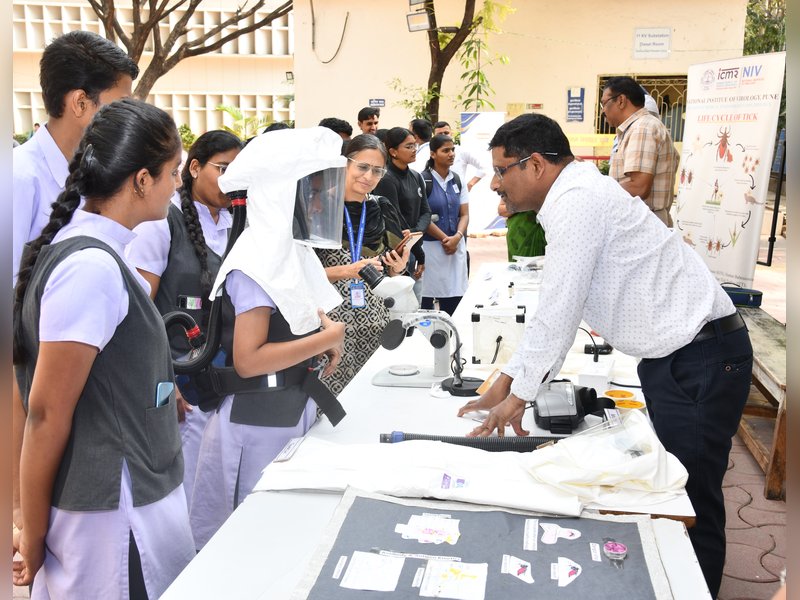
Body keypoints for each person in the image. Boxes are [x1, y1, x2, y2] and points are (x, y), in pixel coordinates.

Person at [456, 113, 752, 599]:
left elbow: (558, 308)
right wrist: (507, 380)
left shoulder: (576, 202)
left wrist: (518, 396)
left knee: (689, 497)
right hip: (681, 357)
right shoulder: (574, 195)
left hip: (699, 358)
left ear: (534, 166)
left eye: (501, 170)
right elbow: (560, 307)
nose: (494, 184)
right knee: (675, 486)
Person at [12, 98, 195, 598]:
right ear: (141, 179)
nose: (178, 185)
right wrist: (31, 529)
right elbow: (45, 413)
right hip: (112, 519)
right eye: (173, 172)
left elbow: (106, 371)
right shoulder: (90, 268)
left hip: (128, 497)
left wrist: (158, 389)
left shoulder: (102, 253)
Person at [188, 126, 348, 550]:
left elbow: (303, 315)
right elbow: (249, 360)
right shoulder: (255, 261)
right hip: (256, 421)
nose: (319, 203)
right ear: (281, 192)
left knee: (288, 536)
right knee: (254, 541)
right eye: (312, 190)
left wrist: (323, 336)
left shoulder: (291, 252)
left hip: (289, 407)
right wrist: (328, 337)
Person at [126, 130, 244, 509]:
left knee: (215, 491)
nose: (230, 180)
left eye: (237, 172)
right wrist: (164, 378)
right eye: (223, 168)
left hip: (223, 378)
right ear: (193, 167)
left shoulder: (236, 224)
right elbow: (138, 311)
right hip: (178, 383)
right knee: (186, 492)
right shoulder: (162, 224)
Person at [12, 30, 139, 285]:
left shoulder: (98, 174)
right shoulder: (17, 178)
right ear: (80, 103)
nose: (128, 117)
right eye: (120, 105)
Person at [315, 134, 410, 394]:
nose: (368, 176)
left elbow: (392, 271)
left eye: (377, 170)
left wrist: (397, 268)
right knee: (330, 406)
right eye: (362, 167)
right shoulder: (317, 209)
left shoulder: (382, 207)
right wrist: (347, 271)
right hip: (332, 328)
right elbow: (300, 276)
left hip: (377, 323)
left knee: (372, 398)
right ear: (345, 164)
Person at [601, 76, 680, 227]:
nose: (603, 111)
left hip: (644, 223)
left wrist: (599, 190)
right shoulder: (635, 129)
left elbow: (639, 186)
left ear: (621, 101)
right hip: (642, 221)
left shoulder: (642, 128)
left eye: (604, 103)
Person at [373, 127, 430, 291]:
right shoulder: (386, 179)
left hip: (412, 245)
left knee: (414, 306)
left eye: (415, 145)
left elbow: (426, 211)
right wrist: (418, 249)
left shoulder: (416, 176)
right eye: (408, 146)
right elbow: (395, 219)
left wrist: (416, 233)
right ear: (393, 151)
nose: (414, 150)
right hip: (396, 253)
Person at [419, 134, 469, 316]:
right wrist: (444, 238)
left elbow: (464, 214)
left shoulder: (458, 179)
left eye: (453, 150)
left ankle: (452, 337)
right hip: (431, 248)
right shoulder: (423, 180)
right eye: (445, 150)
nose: (451, 154)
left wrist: (457, 237)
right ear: (433, 154)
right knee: (426, 300)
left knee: (454, 299)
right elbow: (422, 216)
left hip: (455, 248)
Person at [433, 121, 488, 191]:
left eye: (446, 133)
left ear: (451, 133)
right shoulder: (430, 153)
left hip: (458, 195)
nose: (443, 136)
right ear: (434, 136)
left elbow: (483, 167)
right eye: (440, 134)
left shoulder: (461, 151)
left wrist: (470, 184)